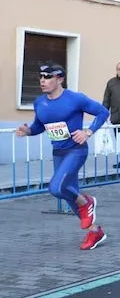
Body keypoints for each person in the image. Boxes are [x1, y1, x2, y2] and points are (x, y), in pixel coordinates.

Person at [16, 63, 110, 250]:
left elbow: (103, 112)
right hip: (58, 152)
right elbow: (39, 126)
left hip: (76, 150)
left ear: (60, 79)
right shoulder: (39, 102)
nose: (42, 80)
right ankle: (95, 232)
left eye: (48, 77)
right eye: (41, 76)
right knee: (69, 195)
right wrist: (28, 131)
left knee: (57, 188)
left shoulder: (75, 98)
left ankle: (88, 202)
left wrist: (88, 132)